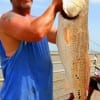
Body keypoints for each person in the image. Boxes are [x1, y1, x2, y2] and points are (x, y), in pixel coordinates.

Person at [0, 0, 62, 100]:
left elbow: (64, 38)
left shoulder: (40, 23)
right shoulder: (6, 19)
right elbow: (36, 32)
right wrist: (55, 6)